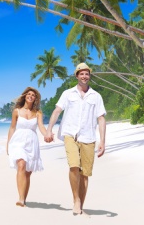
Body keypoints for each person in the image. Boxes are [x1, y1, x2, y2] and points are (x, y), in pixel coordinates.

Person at [44, 62, 106, 215]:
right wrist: (49, 129)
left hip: (88, 137)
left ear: (89, 76)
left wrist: (103, 141)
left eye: (87, 74)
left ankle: (80, 205)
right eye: (82, 73)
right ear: (77, 76)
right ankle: (76, 199)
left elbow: (101, 119)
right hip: (70, 134)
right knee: (73, 166)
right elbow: (57, 111)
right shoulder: (68, 93)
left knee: (84, 173)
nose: (84, 76)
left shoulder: (96, 96)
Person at [6, 87, 49, 207]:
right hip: (18, 141)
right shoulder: (17, 111)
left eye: (33, 95)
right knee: (21, 165)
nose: (31, 96)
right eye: (29, 94)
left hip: (32, 142)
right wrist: (8, 144)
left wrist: (47, 135)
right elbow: (12, 128)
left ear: (35, 98)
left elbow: (41, 127)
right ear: (25, 96)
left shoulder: (38, 113)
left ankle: (24, 198)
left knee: (28, 172)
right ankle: (20, 199)